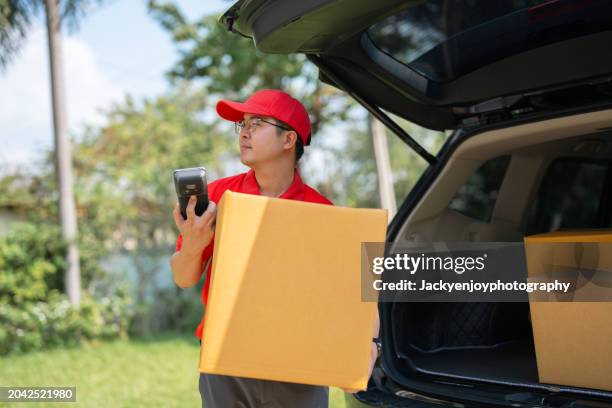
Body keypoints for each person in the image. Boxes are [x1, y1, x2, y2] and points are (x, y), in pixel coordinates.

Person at [170, 89, 379, 408]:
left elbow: (354, 290)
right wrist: (193, 246)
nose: (245, 132)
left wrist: (370, 342)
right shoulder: (217, 196)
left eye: (257, 123)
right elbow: (183, 278)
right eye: (242, 125)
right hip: (227, 360)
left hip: (299, 363)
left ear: (288, 140)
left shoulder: (321, 210)